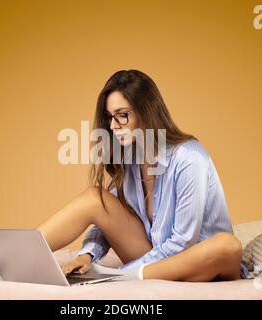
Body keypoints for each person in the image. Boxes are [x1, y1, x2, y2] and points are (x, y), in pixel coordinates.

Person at [38, 69, 249, 282]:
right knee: (95, 198)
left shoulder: (189, 157)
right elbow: (106, 221)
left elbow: (183, 241)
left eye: (122, 115)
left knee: (227, 245)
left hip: (200, 262)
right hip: (156, 264)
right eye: (110, 117)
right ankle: (10, 259)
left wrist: (122, 272)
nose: (112, 126)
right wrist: (87, 255)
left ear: (146, 111)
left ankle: (117, 279)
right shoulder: (130, 161)